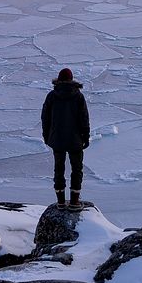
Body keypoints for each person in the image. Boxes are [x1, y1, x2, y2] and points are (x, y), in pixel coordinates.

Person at [41, 67, 90, 210]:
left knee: (58, 169)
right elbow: (84, 119)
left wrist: (47, 136)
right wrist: (85, 137)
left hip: (57, 139)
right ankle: (74, 202)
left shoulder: (51, 96)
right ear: (71, 79)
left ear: (59, 79)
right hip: (75, 140)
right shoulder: (78, 96)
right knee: (77, 169)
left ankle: (61, 202)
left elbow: (45, 118)